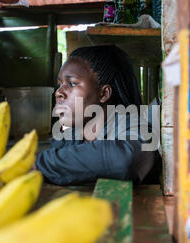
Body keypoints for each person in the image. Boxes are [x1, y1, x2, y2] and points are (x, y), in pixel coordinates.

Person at [34, 45, 160, 186]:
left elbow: (125, 160)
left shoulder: (136, 128)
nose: (58, 92)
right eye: (60, 84)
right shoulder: (69, 139)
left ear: (104, 93)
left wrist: (38, 163)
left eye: (71, 83)